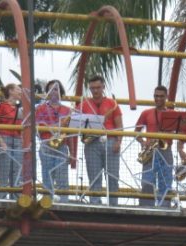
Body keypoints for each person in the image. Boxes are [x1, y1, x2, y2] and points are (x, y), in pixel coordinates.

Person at [79, 76, 122, 205]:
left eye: (98, 87)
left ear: (103, 87)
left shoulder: (112, 104)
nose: (95, 90)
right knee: (93, 176)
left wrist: (118, 142)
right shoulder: (84, 104)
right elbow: (78, 123)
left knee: (113, 176)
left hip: (110, 141)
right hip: (91, 143)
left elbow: (120, 125)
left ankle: (113, 204)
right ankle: (95, 203)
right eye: (92, 88)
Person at [35, 79, 75, 200]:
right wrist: (54, 127)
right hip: (46, 145)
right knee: (47, 178)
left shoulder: (68, 110)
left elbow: (71, 134)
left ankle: (64, 205)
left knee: (63, 178)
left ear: (60, 92)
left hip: (62, 147)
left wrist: (72, 153)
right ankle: (47, 204)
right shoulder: (40, 108)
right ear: (47, 92)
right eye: (51, 89)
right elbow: (36, 128)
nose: (53, 92)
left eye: (56, 89)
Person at [135, 85, 174, 207]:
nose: (158, 99)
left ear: (166, 97)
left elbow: (181, 131)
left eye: (161, 96)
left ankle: (165, 208)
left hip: (166, 150)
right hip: (150, 151)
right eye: (156, 96)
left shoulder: (172, 114)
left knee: (166, 181)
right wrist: (143, 142)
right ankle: (146, 208)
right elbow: (137, 132)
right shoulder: (146, 113)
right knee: (147, 182)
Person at [0, 83, 25, 199]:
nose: (20, 92)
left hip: (18, 141)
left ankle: (16, 198)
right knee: (4, 171)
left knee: (17, 170)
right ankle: (2, 197)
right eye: (18, 89)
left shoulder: (20, 109)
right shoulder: (2, 106)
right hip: (4, 138)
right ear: (10, 91)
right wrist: (1, 142)